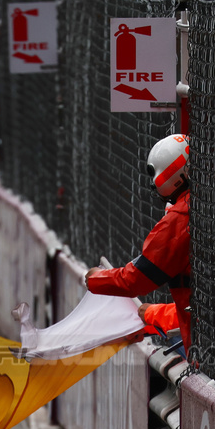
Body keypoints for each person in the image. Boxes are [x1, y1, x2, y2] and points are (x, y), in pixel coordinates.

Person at [85, 134, 192, 348]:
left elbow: (135, 280)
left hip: (205, 348)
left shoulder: (180, 219)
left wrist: (94, 279)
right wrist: (153, 313)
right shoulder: (213, 203)